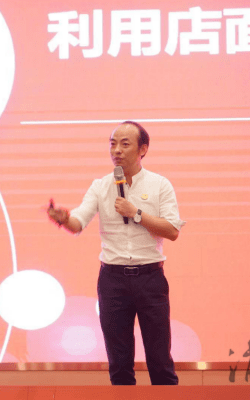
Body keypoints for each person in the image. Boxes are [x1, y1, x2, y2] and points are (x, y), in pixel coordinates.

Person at [46, 121, 185, 385]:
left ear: (143, 149)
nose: (117, 150)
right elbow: (78, 222)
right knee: (119, 364)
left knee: (160, 360)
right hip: (113, 281)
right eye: (112, 144)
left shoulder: (160, 184)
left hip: (150, 279)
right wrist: (64, 220)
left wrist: (136, 213)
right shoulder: (100, 186)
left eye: (125, 144)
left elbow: (172, 230)